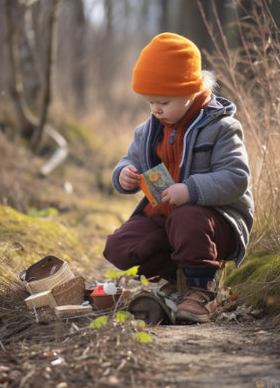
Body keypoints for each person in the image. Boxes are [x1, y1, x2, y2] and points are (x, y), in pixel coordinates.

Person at [103, 32, 254, 323]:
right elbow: (129, 159)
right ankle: (176, 277)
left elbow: (237, 177)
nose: (156, 110)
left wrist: (191, 190)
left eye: (164, 102)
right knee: (122, 244)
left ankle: (202, 288)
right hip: (166, 216)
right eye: (150, 103)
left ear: (191, 92)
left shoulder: (221, 127)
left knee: (186, 219)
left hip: (213, 220)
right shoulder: (149, 129)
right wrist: (123, 175)